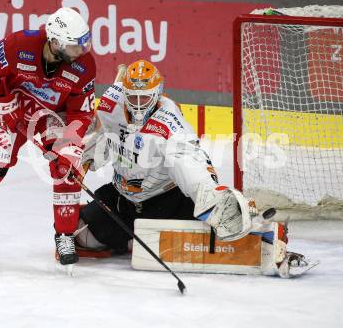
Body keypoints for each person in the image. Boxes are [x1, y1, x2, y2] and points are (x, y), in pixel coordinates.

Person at [75, 60, 308, 277]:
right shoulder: (110, 104)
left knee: (217, 221)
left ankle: (266, 235)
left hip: (165, 203)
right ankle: (135, 238)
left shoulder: (170, 124)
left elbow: (191, 163)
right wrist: (80, 158)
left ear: (157, 94)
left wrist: (213, 196)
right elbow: (104, 135)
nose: (136, 104)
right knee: (81, 236)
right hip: (121, 198)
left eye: (143, 98)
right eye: (132, 97)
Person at [0, 7, 96, 267]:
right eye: (75, 46)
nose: (82, 51)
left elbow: (81, 112)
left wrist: (70, 144)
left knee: (68, 170)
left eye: (83, 43)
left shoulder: (84, 66)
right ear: (55, 43)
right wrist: (2, 101)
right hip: (14, 108)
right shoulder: (19, 44)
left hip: (54, 117)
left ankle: (65, 234)